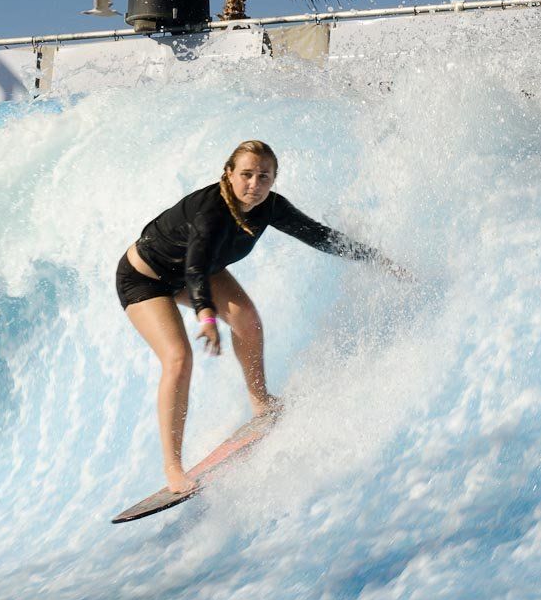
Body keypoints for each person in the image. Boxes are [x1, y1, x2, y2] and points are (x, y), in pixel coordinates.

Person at [116, 140, 407, 494]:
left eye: (263, 176)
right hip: (147, 279)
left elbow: (318, 236)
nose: (254, 184)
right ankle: (173, 469)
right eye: (246, 174)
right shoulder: (210, 210)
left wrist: (375, 258)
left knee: (248, 321)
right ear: (228, 173)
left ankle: (260, 401)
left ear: (273, 179)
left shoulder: (269, 207)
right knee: (178, 358)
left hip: (198, 271)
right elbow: (194, 266)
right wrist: (206, 317)